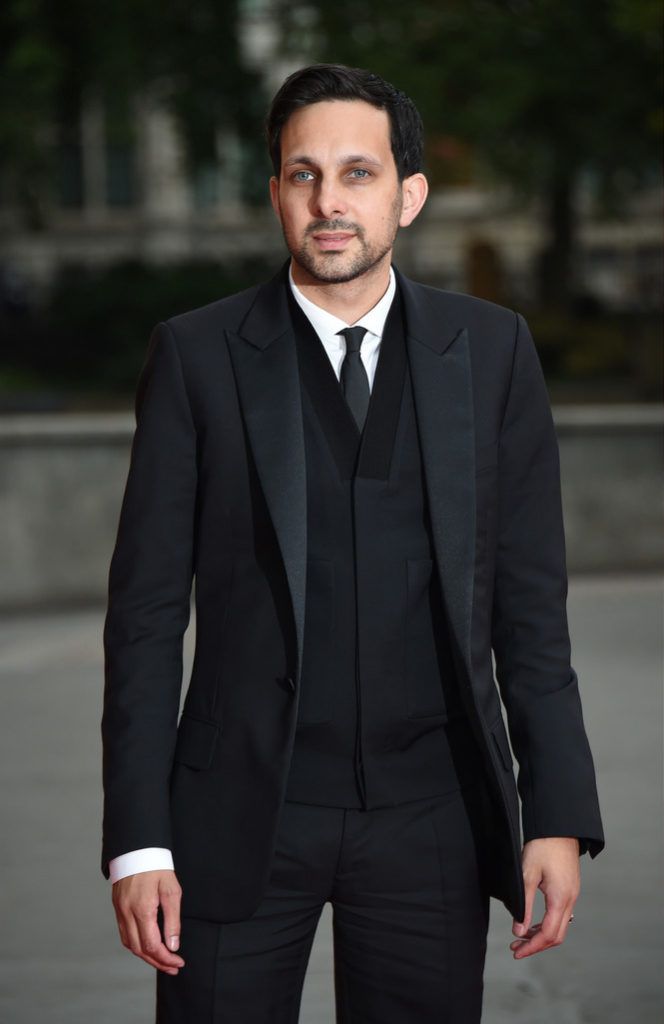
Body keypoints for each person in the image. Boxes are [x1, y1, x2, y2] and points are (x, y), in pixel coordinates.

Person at [101, 63, 605, 1023]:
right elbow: (145, 616)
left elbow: (532, 607)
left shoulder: (492, 351)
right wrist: (139, 841)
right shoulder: (197, 355)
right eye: (303, 175)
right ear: (277, 195)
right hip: (235, 812)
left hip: (434, 817)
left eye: (358, 173)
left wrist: (559, 814)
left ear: (409, 194)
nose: (329, 202)